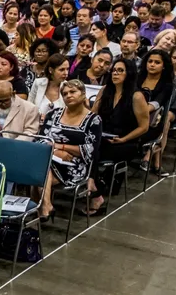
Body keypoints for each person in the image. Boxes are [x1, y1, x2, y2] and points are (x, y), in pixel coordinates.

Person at [88, 57, 151, 214]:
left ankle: (95, 189)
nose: (115, 73)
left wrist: (123, 139)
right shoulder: (105, 91)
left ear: (128, 73)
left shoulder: (136, 96)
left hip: (126, 141)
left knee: (92, 151)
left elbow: (144, 127)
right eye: (114, 70)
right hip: (103, 137)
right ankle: (95, 186)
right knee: (88, 147)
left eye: (120, 70)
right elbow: (93, 116)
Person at [36, 80, 102, 219]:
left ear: (83, 94)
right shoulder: (53, 114)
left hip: (75, 165)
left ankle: (42, 208)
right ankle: (46, 206)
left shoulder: (93, 120)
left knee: (39, 172)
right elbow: (41, 139)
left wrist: (60, 146)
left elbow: (90, 150)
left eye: (73, 92)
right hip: (51, 158)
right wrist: (56, 152)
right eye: (65, 94)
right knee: (42, 168)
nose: (68, 96)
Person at [28, 53, 70, 119]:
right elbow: (29, 106)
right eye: (61, 70)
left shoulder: (68, 87)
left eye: (67, 69)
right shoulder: (38, 83)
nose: (66, 73)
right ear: (51, 70)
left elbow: (69, 114)